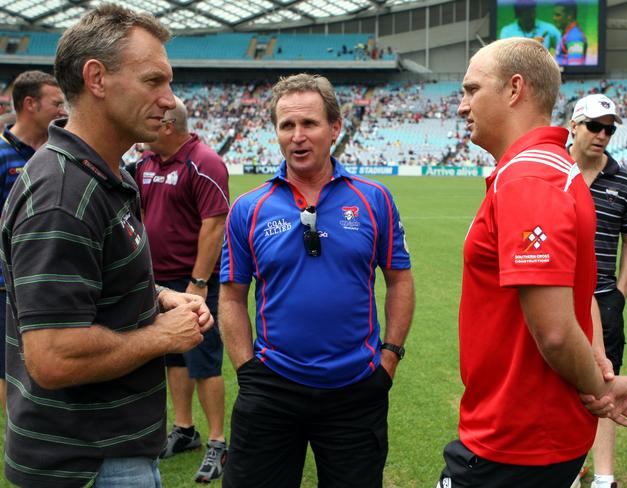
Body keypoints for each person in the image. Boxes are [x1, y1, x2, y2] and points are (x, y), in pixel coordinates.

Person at [0, 5, 214, 488]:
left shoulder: (107, 173)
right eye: (154, 81)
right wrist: (162, 334)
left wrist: (160, 296)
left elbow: (93, 286)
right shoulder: (62, 194)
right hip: (84, 464)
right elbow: (52, 356)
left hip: (113, 449)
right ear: (96, 78)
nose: (169, 99)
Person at [439, 37, 627, 487]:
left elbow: (554, 332)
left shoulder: (529, 178)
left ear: (514, 89)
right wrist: (598, 362)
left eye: (472, 89)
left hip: (514, 438)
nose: (462, 106)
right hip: (534, 433)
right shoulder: (558, 168)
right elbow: (581, 286)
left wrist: (600, 385)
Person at [219, 73, 415, 488]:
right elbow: (232, 295)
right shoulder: (249, 208)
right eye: (287, 125)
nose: (298, 136)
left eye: (309, 124)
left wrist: (390, 356)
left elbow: (399, 280)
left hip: (356, 389)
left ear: (335, 128)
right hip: (271, 388)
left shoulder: (373, 199)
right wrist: (246, 371)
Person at [135, 95, 230, 482]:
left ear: (168, 125)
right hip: (158, 284)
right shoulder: (144, 163)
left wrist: (199, 283)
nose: (145, 125)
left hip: (194, 282)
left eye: (153, 119)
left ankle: (218, 442)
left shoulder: (204, 162)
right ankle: (185, 431)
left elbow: (214, 225)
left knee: (204, 361)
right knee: (172, 358)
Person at [568, 94, 627, 488]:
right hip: (558, 296)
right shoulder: (555, 171)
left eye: (609, 129)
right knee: (557, 380)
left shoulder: (624, 180)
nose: (602, 135)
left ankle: (603, 477)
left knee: (606, 381)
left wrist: (621, 289)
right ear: (574, 126)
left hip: (604, 298)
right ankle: (565, 468)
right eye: (595, 126)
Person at [0, 70, 66, 413]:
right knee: (10, 368)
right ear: (30, 104)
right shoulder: (1, 154)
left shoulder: (54, 153)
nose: (62, 110)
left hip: (51, 282)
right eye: (56, 103)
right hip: (7, 287)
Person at [553, 0, 588, 65]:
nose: (554, 18)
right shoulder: (567, 33)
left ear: (570, 15)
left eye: (558, 15)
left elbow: (575, 66)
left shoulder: (574, 36)